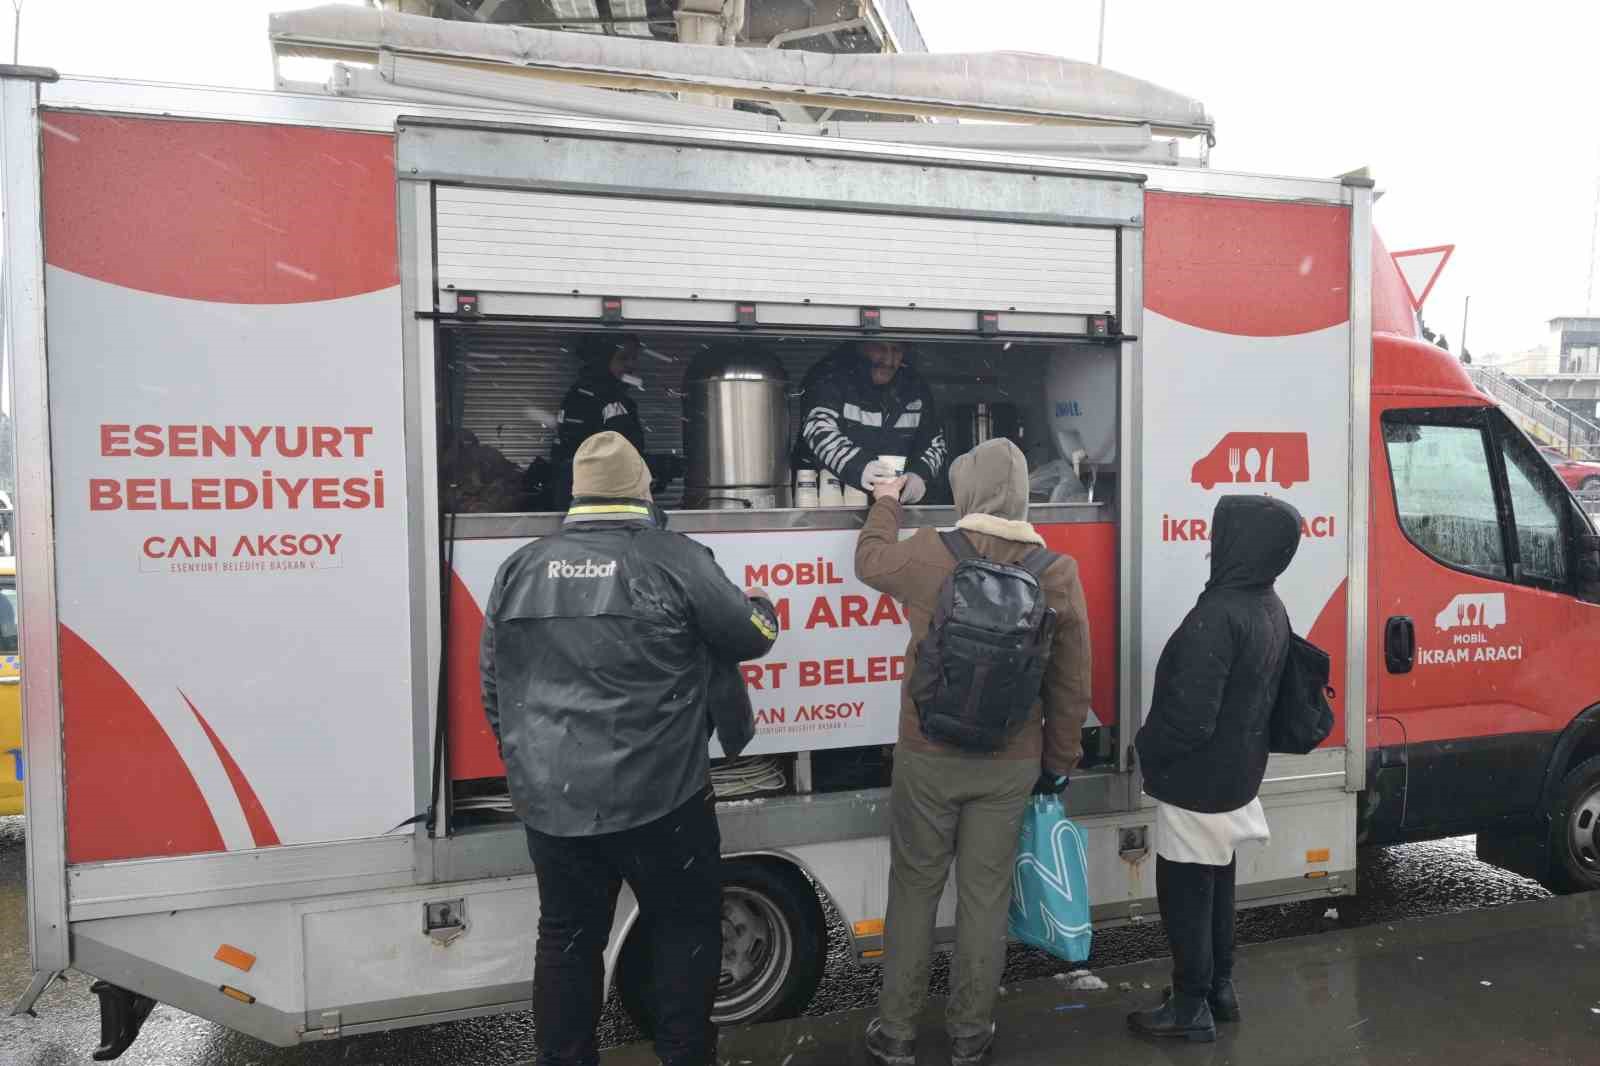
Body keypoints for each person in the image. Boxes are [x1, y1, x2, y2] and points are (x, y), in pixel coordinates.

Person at [479, 431, 780, 1066]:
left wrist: (535, 763)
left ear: (578, 493)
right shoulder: (672, 558)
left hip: (553, 801)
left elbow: (495, 685)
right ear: (641, 489)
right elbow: (749, 635)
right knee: (684, 934)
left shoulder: (522, 567)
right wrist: (764, 607)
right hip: (662, 797)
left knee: (566, 938)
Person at [855, 438, 1092, 1066]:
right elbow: (1071, 681)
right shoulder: (1056, 571)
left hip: (927, 751)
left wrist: (884, 502)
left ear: (965, 490)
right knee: (985, 897)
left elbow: (870, 562)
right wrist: (1059, 765)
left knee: (913, 888)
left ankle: (897, 1033)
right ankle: (970, 1035)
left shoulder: (934, 553)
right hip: (1011, 759)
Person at [1128, 495, 1301, 1043]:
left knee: (1184, 893)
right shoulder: (1269, 605)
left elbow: (1189, 719)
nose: (1211, 544)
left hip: (1197, 781)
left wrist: (1144, 747)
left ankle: (1188, 1006)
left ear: (1239, 544)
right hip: (1237, 774)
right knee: (1217, 882)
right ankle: (1218, 988)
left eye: (1220, 533)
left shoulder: (1218, 614)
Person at [796, 340, 948, 504]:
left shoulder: (914, 385)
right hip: (827, 506)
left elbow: (935, 443)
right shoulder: (830, 376)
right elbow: (818, 428)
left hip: (893, 506)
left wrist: (920, 474)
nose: (889, 361)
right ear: (860, 346)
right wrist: (859, 466)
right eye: (880, 348)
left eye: (896, 350)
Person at [550, 333, 648, 509]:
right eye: (623, 358)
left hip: (610, 502)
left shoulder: (615, 397)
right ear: (603, 359)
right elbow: (578, 456)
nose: (631, 365)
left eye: (634, 358)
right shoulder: (585, 398)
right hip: (593, 506)